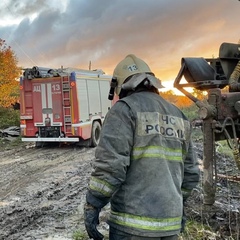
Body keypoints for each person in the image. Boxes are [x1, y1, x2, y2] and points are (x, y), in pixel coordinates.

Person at [84, 54, 200, 240]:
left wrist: (93, 205)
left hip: (131, 229)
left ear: (120, 85)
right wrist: (178, 207)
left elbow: (110, 167)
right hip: (170, 227)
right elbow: (191, 173)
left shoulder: (124, 110)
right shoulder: (178, 115)